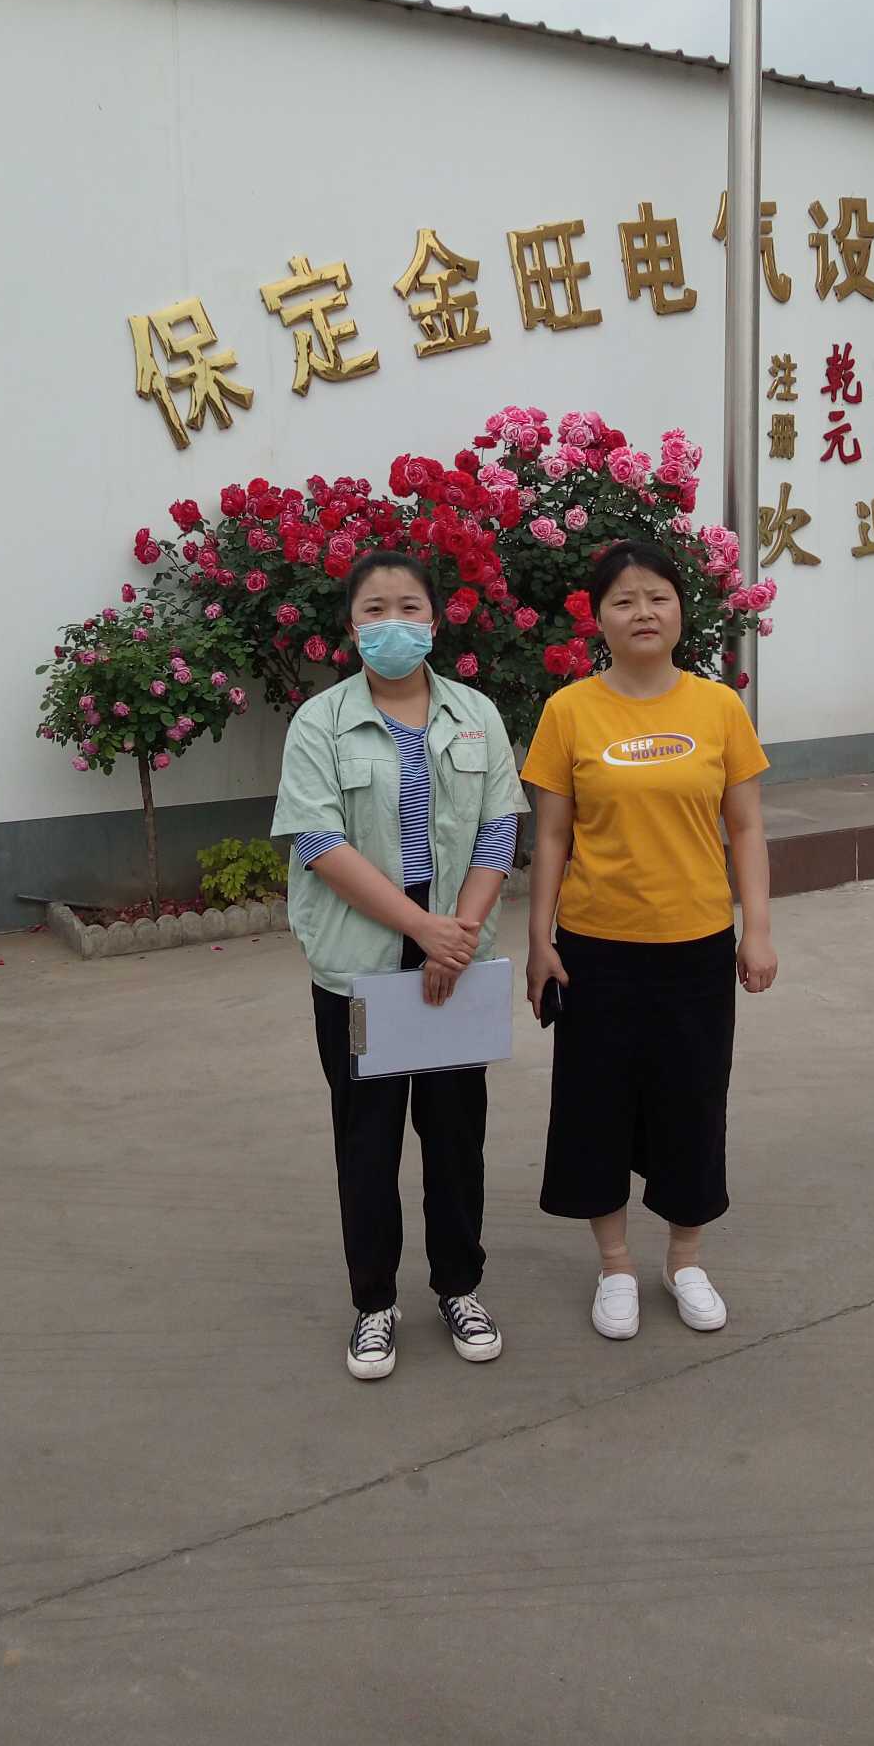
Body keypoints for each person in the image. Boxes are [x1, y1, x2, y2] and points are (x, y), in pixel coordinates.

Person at [273, 550, 529, 1381]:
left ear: (436, 620)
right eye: (375, 609)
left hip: (458, 952)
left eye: (409, 607)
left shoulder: (476, 714)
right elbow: (318, 841)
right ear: (351, 628)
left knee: (456, 1136)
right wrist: (422, 928)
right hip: (363, 965)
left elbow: (499, 827)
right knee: (367, 1137)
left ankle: (460, 1286)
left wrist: (460, 935)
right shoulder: (320, 722)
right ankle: (373, 1303)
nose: (393, 623)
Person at [522, 539, 777, 1340]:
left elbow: (745, 827)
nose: (643, 612)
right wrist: (539, 938)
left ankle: (686, 1260)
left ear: (681, 610)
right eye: (624, 600)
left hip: (696, 943)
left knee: (692, 1103)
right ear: (598, 618)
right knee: (596, 1106)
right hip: (594, 946)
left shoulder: (719, 708)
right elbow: (552, 836)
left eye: (658, 596)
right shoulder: (569, 712)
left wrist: (757, 929)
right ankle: (616, 1267)